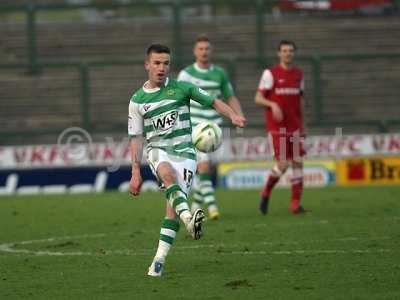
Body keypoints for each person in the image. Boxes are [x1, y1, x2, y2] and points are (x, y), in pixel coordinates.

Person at [128, 44, 246, 277]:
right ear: (147, 65)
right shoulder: (137, 101)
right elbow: (136, 138)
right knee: (166, 174)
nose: (162, 68)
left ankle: (158, 261)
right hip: (158, 150)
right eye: (157, 63)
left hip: (186, 154)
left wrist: (233, 114)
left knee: (171, 211)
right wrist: (135, 171)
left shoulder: (183, 88)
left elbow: (213, 102)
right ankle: (189, 220)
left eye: (166, 63)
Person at [177, 35, 245, 220]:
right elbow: (178, 99)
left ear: (211, 51)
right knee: (204, 167)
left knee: (207, 170)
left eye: (207, 48)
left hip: (215, 129)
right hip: (195, 129)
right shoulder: (186, 74)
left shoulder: (220, 74)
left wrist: (237, 115)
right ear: (194, 51)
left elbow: (229, 96)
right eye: (200, 48)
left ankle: (195, 207)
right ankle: (213, 208)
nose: (204, 52)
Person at [254, 40, 308, 215]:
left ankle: (295, 204)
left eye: (291, 51)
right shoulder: (270, 73)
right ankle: (266, 192)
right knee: (283, 164)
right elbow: (258, 98)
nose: (288, 53)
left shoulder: (299, 74)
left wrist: (303, 125)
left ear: (294, 53)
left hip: (295, 127)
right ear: (279, 53)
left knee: (298, 163)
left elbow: (300, 101)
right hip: (278, 128)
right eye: (284, 51)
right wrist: (273, 105)